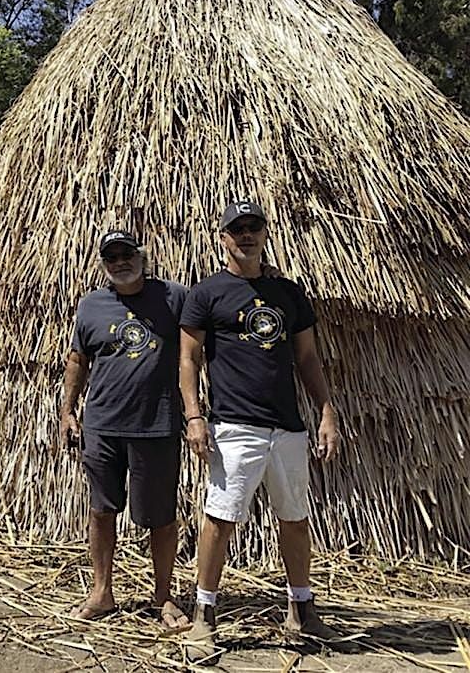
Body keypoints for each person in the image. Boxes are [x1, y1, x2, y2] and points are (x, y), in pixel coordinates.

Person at [178, 200, 341, 661]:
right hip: (234, 425)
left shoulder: (289, 293)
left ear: (265, 233)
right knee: (220, 518)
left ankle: (301, 609)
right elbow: (188, 360)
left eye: (253, 227)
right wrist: (194, 415)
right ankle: (204, 615)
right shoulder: (207, 293)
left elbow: (308, 359)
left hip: (287, 428)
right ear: (223, 237)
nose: (245, 235)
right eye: (237, 229)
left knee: (294, 519)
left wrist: (326, 412)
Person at [59, 229, 191, 630]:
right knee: (102, 510)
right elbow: (78, 360)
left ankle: (164, 596)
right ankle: (101, 592)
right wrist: (68, 410)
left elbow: (201, 341)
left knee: (160, 516)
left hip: (156, 424)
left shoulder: (174, 297)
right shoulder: (92, 306)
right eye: (111, 257)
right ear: (104, 263)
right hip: (102, 425)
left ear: (142, 256)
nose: (120, 262)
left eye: (127, 254)